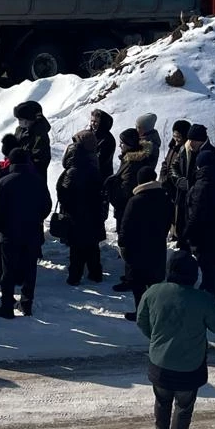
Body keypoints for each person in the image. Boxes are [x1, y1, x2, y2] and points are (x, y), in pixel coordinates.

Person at [136, 252, 215, 429]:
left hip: (159, 362)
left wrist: (157, 340)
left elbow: (141, 321)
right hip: (189, 366)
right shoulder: (202, 299)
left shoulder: (153, 291)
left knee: (162, 401)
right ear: (194, 274)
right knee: (183, 407)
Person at [0, 147, 51, 318]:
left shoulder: (3, 182)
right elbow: (47, 205)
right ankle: (26, 303)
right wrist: (36, 218)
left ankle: (6, 306)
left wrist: (0, 228)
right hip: (32, 232)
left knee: (8, 271)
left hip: (9, 234)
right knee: (30, 269)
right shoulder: (37, 180)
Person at [117, 166, 172, 319]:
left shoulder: (135, 201)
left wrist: (122, 244)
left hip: (137, 248)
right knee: (155, 283)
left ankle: (141, 313)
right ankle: (156, 312)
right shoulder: (165, 198)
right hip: (157, 247)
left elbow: (125, 225)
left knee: (138, 284)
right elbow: (168, 222)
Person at [57, 130, 106, 286]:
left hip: (76, 214)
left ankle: (74, 276)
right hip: (93, 212)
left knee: (77, 247)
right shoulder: (94, 164)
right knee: (92, 245)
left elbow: (64, 193)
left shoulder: (72, 171)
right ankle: (95, 273)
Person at [108, 127, 153, 292]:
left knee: (129, 243)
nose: (120, 145)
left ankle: (131, 278)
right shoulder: (132, 158)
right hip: (130, 207)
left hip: (128, 207)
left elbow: (126, 189)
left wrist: (112, 189)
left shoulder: (133, 162)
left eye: (122, 143)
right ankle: (131, 275)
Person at [184, 147, 215, 303]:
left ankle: (209, 296)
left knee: (206, 263)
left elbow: (196, 213)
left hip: (204, 232)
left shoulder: (203, 184)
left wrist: (187, 232)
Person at [169, 123, 215, 251]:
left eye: (193, 140)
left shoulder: (211, 154)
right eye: (189, 140)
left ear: (201, 140)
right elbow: (174, 166)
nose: (190, 143)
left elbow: (210, 182)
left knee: (197, 234)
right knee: (182, 230)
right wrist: (178, 179)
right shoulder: (185, 149)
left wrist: (191, 185)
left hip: (200, 202)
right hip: (183, 198)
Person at [13, 100, 51, 176]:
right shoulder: (20, 130)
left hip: (33, 175)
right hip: (18, 171)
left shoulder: (40, 134)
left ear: (29, 119)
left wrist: (21, 161)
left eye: (20, 119)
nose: (19, 122)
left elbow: (39, 160)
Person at [90, 109, 116, 183]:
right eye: (92, 121)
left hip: (102, 177)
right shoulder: (90, 134)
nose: (93, 124)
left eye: (96, 122)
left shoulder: (108, 140)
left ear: (102, 123)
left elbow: (100, 160)